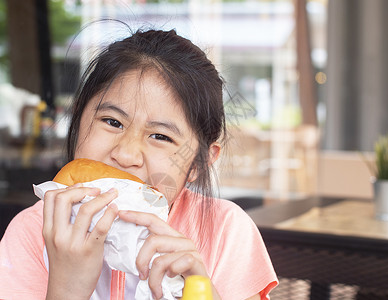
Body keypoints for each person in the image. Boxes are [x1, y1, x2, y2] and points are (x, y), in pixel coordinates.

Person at [0, 28, 277, 300]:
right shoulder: (32, 231)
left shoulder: (225, 230)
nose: (126, 154)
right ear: (78, 119)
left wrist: (203, 293)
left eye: (160, 136)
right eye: (112, 122)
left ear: (199, 162)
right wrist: (66, 290)